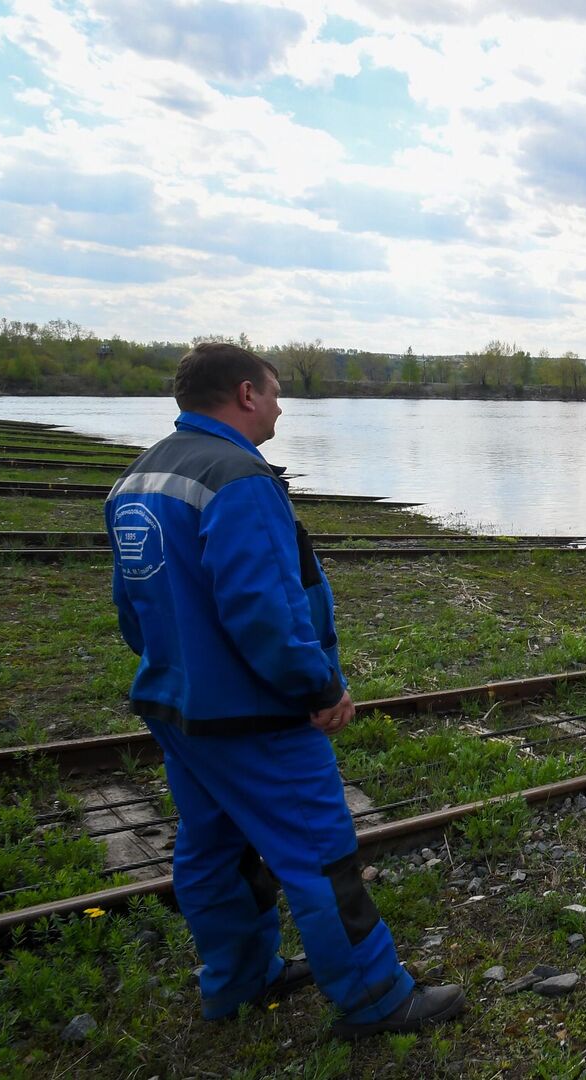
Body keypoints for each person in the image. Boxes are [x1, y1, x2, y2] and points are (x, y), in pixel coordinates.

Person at [104, 342, 465, 1038]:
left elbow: (131, 609)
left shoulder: (138, 478)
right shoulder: (237, 478)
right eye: (273, 393)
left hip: (176, 707)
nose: (279, 407)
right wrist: (318, 684)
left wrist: (180, 667)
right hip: (254, 716)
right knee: (320, 855)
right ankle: (375, 1001)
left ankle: (238, 982)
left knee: (214, 851)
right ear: (244, 393)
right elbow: (264, 608)